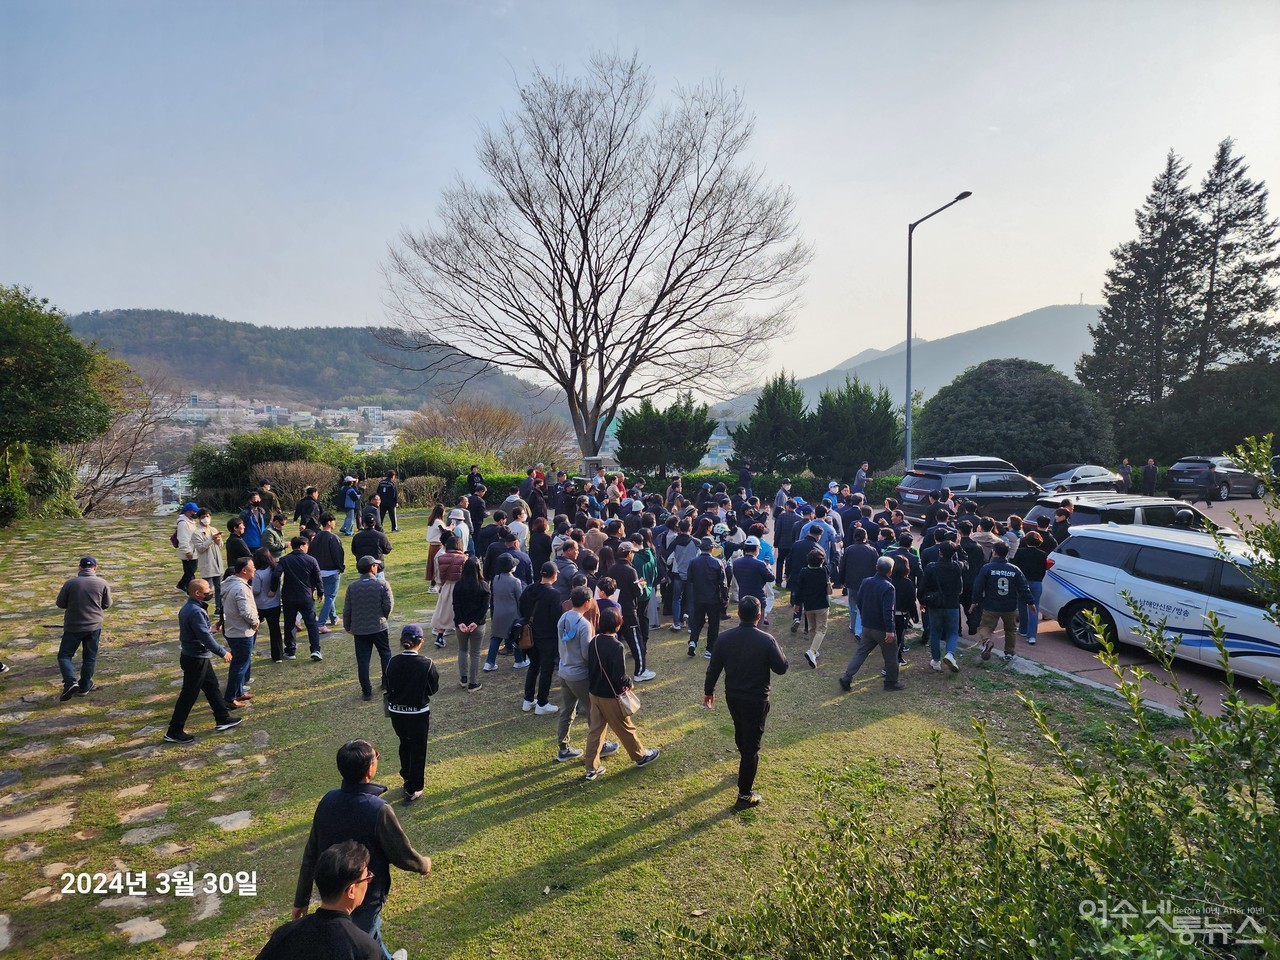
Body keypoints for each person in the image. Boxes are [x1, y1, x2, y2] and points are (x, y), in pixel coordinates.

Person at [292, 740, 432, 958]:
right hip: (364, 892)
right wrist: (423, 864)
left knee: (369, 934)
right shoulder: (378, 809)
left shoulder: (327, 800)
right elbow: (401, 854)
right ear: (369, 770)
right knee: (358, 945)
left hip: (332, 891)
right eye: (376, 756)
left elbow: (311, 853)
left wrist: (301, 899)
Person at [703, 596, 789, 809]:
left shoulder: (724, 638)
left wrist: (709, 691)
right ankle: (744, 795)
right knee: (751, 746)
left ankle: (745, 765)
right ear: (758, 616)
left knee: (741, 732)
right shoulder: (766, 640)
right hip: (757, 700)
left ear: (739, 614)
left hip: (733, 696)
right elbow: (782, 667)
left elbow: (714, 668)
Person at [255, 840, 382, 960]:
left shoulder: (284, 933)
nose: (369, 881)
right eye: (367, 877)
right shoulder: (363, 949)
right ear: (351, 891)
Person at [582, 607, 661, 781]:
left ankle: (591, 768)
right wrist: (629, 683)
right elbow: (619, 676)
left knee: (595, 731)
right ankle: (640, 756)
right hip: (610, 696)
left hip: (594, 693)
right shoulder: (616, 646)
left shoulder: (594, 641)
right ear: (618, 625)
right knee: (625, 727)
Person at [163, 579, 242, 743]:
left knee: (212, 687)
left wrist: (211, 628)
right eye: (207, 591)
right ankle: (174, 730)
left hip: (197, 657)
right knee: (189, 695)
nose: (210, 593)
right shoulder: (195, 611)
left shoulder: (190, 608)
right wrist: (222, 652)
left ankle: (222, 718)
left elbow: (199, 632)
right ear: (197, 593)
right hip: (195, 659)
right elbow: (204, 637)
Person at [555, 586, 619, 763]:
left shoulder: (563, 617)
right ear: (587, 603)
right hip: (579, 675)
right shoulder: (584, 625)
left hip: (564, 670)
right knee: (595, 712)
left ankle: (563, 748)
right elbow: (586, 654)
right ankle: (601, 745)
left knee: (567, 711)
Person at [383, 626, 440, 803]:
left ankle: (407, 776)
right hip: (418, 714)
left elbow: (387, 683)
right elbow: (432, 689)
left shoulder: (392, 662)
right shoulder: (427, 663)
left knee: (404, 743)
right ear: (420, 642)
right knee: (418, 749)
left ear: (402, 642)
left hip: (396, 713)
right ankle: (414, 788)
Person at [838, 557, 902, 692]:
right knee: (891, 655)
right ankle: (891, 682)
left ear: (876, 567)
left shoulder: (866, 582)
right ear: (890, 571)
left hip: (867, 626)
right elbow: (888, 610)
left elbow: (859, 601)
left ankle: (847, 677)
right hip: (882, 628)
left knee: (861, 653)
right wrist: (890, 630)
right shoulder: (889, 587)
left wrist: (863, 616)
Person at [55, 555, 112, 700]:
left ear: (79, 567)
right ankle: (85, 685)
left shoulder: (70, 583)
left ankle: (70, 682)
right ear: (95, 568)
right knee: (89, 657)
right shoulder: (102, 583)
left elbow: (60, 604)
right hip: (94, 626)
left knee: (64, 655)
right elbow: (107, 604)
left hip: (73, 626)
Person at [971, 540, 1034, 662]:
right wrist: (1030, 602)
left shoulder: (987, 568)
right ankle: (1009, 653)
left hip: (991, 605)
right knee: (1010, 630)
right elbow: (1023, 588)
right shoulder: (1015, 569)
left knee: (985, 627)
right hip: (1009, 606)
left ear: (994, 553)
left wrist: (974, 601)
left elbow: (978, 586)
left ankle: (987, 641)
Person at [343, 556, 395, 701]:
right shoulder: (382, 584)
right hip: (379, 627)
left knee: (363, 660)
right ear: (372, 567)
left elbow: (347, 609)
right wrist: (383, 617)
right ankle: (387, 682)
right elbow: (388, 605)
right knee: (385, 654)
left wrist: (348, 626)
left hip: (360, 629)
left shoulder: (352, 587)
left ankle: (366, 690)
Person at [519, 562, 563, 714]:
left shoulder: (529, 589)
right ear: (554, 575)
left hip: (530, 635)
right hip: (547, 637)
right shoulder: (554, 594)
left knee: (533, 667)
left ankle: (528, 699)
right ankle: (542, 703)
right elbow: (556, 617)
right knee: (546, 670)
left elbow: (521, 608)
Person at [608, 542, 654, 681]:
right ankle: (640, 671)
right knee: (636, 641)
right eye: (632, 553)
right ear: (628, 554)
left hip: (615, 609)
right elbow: (638, 593)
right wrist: (641, 585)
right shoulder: (630, 570)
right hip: (629, 610)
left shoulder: (612, 568)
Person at [920, 541, 966, 673]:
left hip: (935, 604)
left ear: (940, 552)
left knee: (935, 632)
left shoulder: (931, 567)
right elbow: (965, 561)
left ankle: (936, 660)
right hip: (952, 604)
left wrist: (922, 600)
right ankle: (950, 653)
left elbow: (923, 586)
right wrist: (959, 546)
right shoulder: (957, 566)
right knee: (952, 632)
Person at [221, 555, 260, 709]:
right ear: (244, 571)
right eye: (252, 567)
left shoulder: (232, 584)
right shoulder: (240, 588)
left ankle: (238, 691)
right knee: (239, 665)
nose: (255, 569)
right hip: (241, 631)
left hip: (234, 629)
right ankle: (230, 697)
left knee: (240, 663)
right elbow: (245, 611)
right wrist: (255, 622)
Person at [280, 536, 324, 661]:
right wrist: (321, 592)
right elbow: (317, 577)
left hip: (289, 596)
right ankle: (315, 649)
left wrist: (273, 589)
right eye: (307, 545)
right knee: (311, 624)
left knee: (289, 623)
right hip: (306, 596)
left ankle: (290, 650)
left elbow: (276, 574)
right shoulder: (311, 560)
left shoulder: (285, 560)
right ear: (302, 546)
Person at [687, 535, 729, 659]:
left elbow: (690, 579)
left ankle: (693, 641)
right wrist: (725, 597)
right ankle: (710, 649)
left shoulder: (693, 562)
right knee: (713, 624)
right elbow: (723, 583)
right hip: (713, 598)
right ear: (711, 549)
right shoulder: (717, 562)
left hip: (698, 597)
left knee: (697, 622)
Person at [451, 558, 489, 691]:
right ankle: (473, 682)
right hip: (477, 625)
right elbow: (484, 608)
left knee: (462, 649)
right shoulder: (484, 586)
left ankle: (463, 678)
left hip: (461, 624)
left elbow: (456, 605)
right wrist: (476, 622)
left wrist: (460, 622)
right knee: (475, 653)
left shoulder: (458, 585)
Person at [484, 553, 525, 672]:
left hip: (498, 613)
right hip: (512, 614)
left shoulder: (495, 579)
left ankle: (489, 662)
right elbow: (519, 599)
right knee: (516, 637)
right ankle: (519, 661)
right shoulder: (515, 581)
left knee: (495, 638)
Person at [791, 547, 831, 669]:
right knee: (822, 629)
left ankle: (814, 650)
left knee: (813, 628)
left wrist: (797, 604)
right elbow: (834, 562)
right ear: (822, 561)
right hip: (822, 605)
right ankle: (812, 651)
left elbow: (799, 590)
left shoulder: (803, 571)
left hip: (808, 605)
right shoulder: (824, 570)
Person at [1011, 532, 1051, 646]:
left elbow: (1016, 568)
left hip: (1022, 583)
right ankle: (1032, 635)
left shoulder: (1020, 552)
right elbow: (1044, 570)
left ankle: (1023, 629)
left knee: (1022, 606)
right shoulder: (1043, 554)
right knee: (1034, 608)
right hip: (1037, 583)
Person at [310, 513, 346, 633]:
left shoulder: (315, 538)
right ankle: (321, 623)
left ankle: (334, 617)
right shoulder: (333, 538)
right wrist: (341, 567)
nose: (335, 523)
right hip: (331, 571)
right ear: (329, 522)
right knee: (330, 596)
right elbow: (337, 555)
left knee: (329, 595)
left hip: (319, 571)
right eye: (334, 521)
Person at [429, 534, 466, 648]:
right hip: (461, 587)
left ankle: (440, 637)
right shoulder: (464, 558)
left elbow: (437, 576)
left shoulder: (439, 557)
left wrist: (441, 585)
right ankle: (464, 638)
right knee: (462, 612)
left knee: (444, 613)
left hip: (446, 585)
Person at [252, 547, 285, 661]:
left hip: (261, 605)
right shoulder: (274, 569)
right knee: (275, 630)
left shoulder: (258, 573)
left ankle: (249, 649)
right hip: (274, 604)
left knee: (253, 627)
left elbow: (256, 590)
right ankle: (278, 656)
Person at [192, 508, 226, 616]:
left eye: (207, 516)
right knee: (206, 589)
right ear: (199, 519)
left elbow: (220, 546)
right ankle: (202, 608)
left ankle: (219, 608)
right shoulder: (196, 533)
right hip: (207, 563)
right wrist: (211, 539)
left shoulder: (213, 529)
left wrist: (218, 540)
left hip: (217, 563)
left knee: (219, 587)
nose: (206, 519)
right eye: (203, 517)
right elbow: (200, 548)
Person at [174, 501, 200, 593]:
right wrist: (187, 551)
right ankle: (188, 588)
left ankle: (182, 585)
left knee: (191, 570)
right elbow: (182, 538)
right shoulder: (183, 523)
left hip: (194, 550)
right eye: (194, 511)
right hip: (188, 551)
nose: (195, 513)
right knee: (190, 571)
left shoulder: (191, 522)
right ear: (188, 512)